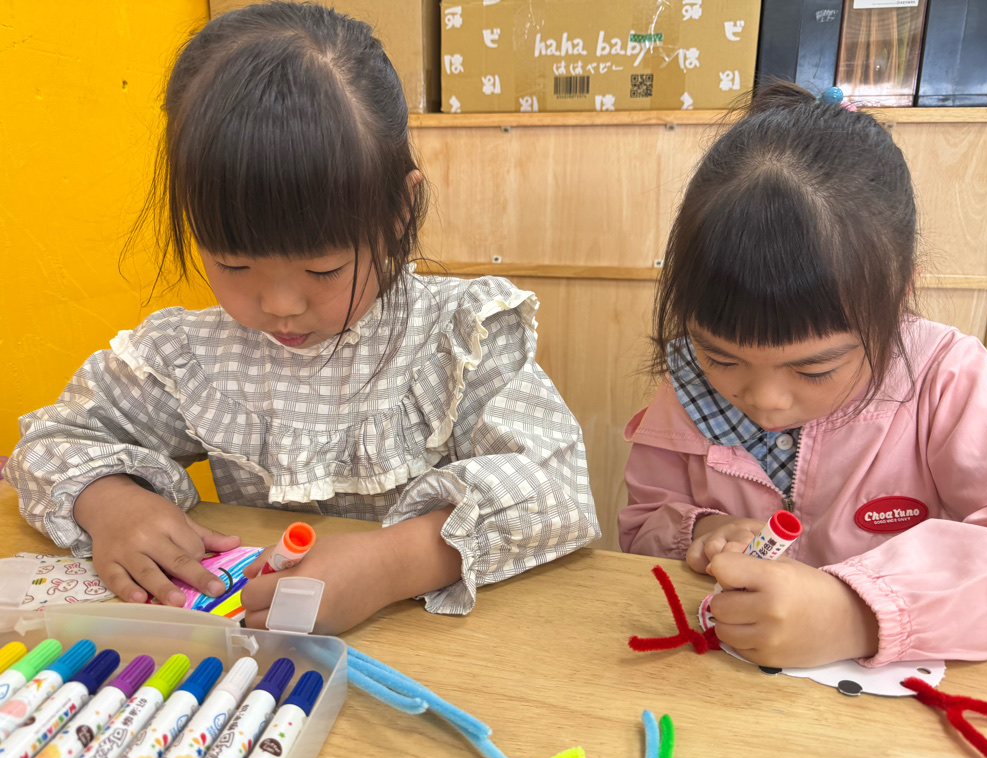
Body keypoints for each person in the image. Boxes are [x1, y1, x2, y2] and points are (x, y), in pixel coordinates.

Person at [5, 2, 598, 634]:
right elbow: (49, 444)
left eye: (323, 269)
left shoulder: (460, 337)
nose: (279, 305)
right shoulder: (191, 356)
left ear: (399, 212)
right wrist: (109, 503)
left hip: (433, 644)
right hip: (261, 658)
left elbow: (555, 486)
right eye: (234, 264)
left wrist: (390, 564)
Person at [619, 82, 987, 669]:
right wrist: (700, 530)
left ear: (896, 298)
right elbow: (640, 526)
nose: (765, 400)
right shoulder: (685, 386)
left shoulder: (943, 380)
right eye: (723, 359)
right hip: (725, 688)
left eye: (814, 367)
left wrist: (857, 612)